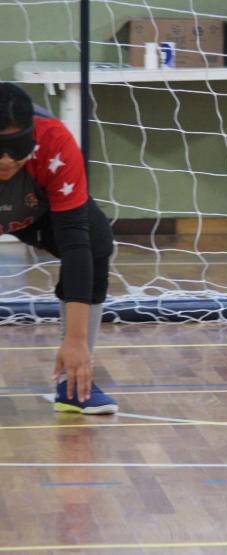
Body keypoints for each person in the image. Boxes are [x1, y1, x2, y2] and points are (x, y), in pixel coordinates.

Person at [0, 83, 117, 414]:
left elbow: (76, 240)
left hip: (38, 210)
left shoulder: (54, 140)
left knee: (95, 243)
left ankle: (74, 384)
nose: (6, 161)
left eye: (15, 148)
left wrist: (76, 342)